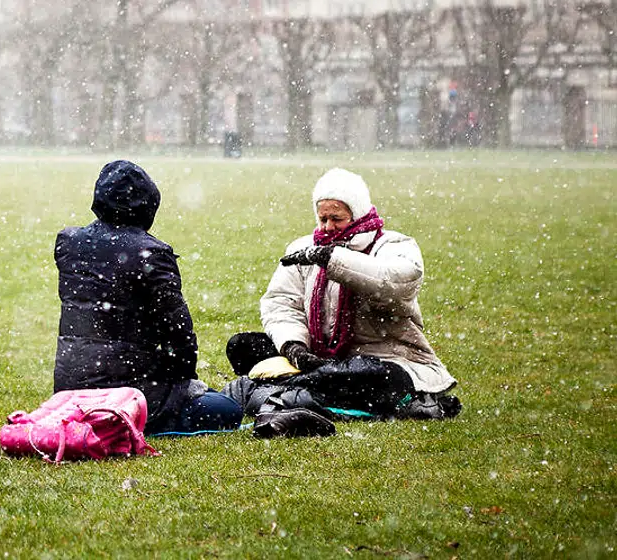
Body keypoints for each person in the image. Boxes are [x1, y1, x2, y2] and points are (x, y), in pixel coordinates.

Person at [225, 167, 460, 427]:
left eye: (336, 218)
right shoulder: (303, 247)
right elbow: (281, 304)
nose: (328, 227)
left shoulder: (394, 245)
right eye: (322, 218)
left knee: (376, 376)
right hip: (318, 357)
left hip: (386, 361)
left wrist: (332, 259)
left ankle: (276, 390)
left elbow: (396, 283)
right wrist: (294, 347)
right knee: (242, 346)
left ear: (357, 213)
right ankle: (305, 389)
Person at [53, 160, 242, 435]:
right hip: (129, 391)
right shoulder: (152, 254)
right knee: (226, 408)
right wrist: (183, 383)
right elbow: (178, 334)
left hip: (71, 391)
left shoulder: (69, 243)